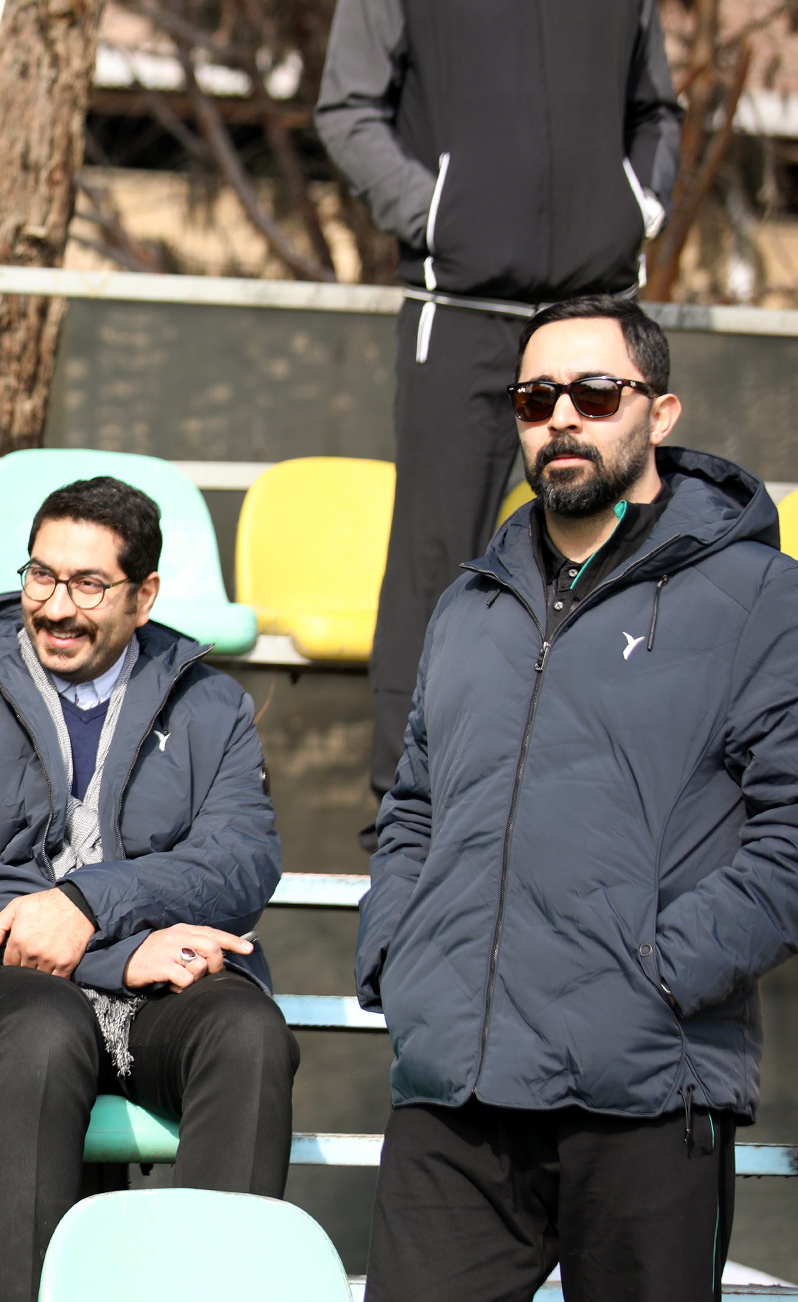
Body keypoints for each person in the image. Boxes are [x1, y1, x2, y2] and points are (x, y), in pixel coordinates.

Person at [357, 296, 798, 1302]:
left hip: (642, 1085)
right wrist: (399, 948)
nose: (561, 415)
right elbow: (413, 804)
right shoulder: (469, 600)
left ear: (658, 411)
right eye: (535, 396)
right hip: (457, 1090)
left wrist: (659, 971)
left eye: (595, 392)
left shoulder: (758, 597)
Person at [0, 476, 295, 1302]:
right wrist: (117, 952)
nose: (55, 606)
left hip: (157, 992)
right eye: (41, 575)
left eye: (88, 584)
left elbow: (240, 860)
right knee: (46, 1026)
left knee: (248, 1032)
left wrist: (89, 904)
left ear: (144, 595)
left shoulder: (212, 704)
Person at [316, 0, 680, 841]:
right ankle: (408, 821)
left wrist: (635, 209)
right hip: (460, 310)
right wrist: (441, 216)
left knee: (623, 550)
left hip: (596, 308)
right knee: (435, 563)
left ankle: (616, 804)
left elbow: (656, 106)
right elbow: (348, 106)